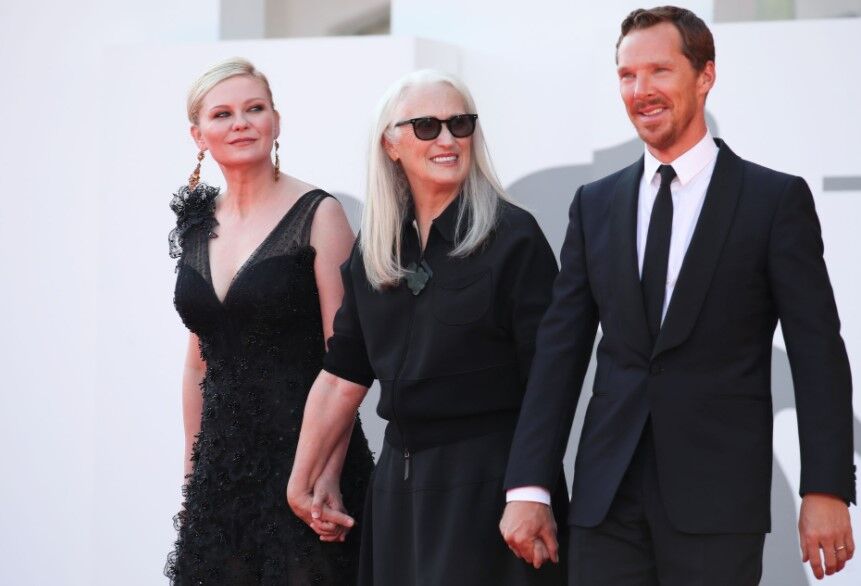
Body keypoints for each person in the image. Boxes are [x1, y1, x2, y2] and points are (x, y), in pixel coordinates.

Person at [500, 6, 855, 584]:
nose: (641, 91)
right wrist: (529, 485)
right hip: (606, 500)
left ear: (705, 75)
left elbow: (817, 352)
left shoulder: (772, 202)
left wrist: (825, 488)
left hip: (718, 502)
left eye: (659, 71)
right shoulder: (595, 204)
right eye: (627, 75)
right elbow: (559, 353)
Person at [287, 69, 568, 585]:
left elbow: (549, 383)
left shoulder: (514, 237)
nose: (447, 139)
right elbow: (342, 374)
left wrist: (531, 491)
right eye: (426, 126)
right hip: (399, 493)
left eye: (460, 124)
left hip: (491, 487)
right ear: (390, 144)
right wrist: (305, 478)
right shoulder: (376, 250)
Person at [165, 58, 373, 585]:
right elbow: (197, 364)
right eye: (223, 114)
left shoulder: (319, 214)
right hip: (222, 476)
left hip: (308, 464)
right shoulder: (196, 224)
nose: (241, 123)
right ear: (199, 135)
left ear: (275, 122)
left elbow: (347, 360)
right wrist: (193, 479)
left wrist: (325, 472)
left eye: (254, 109)